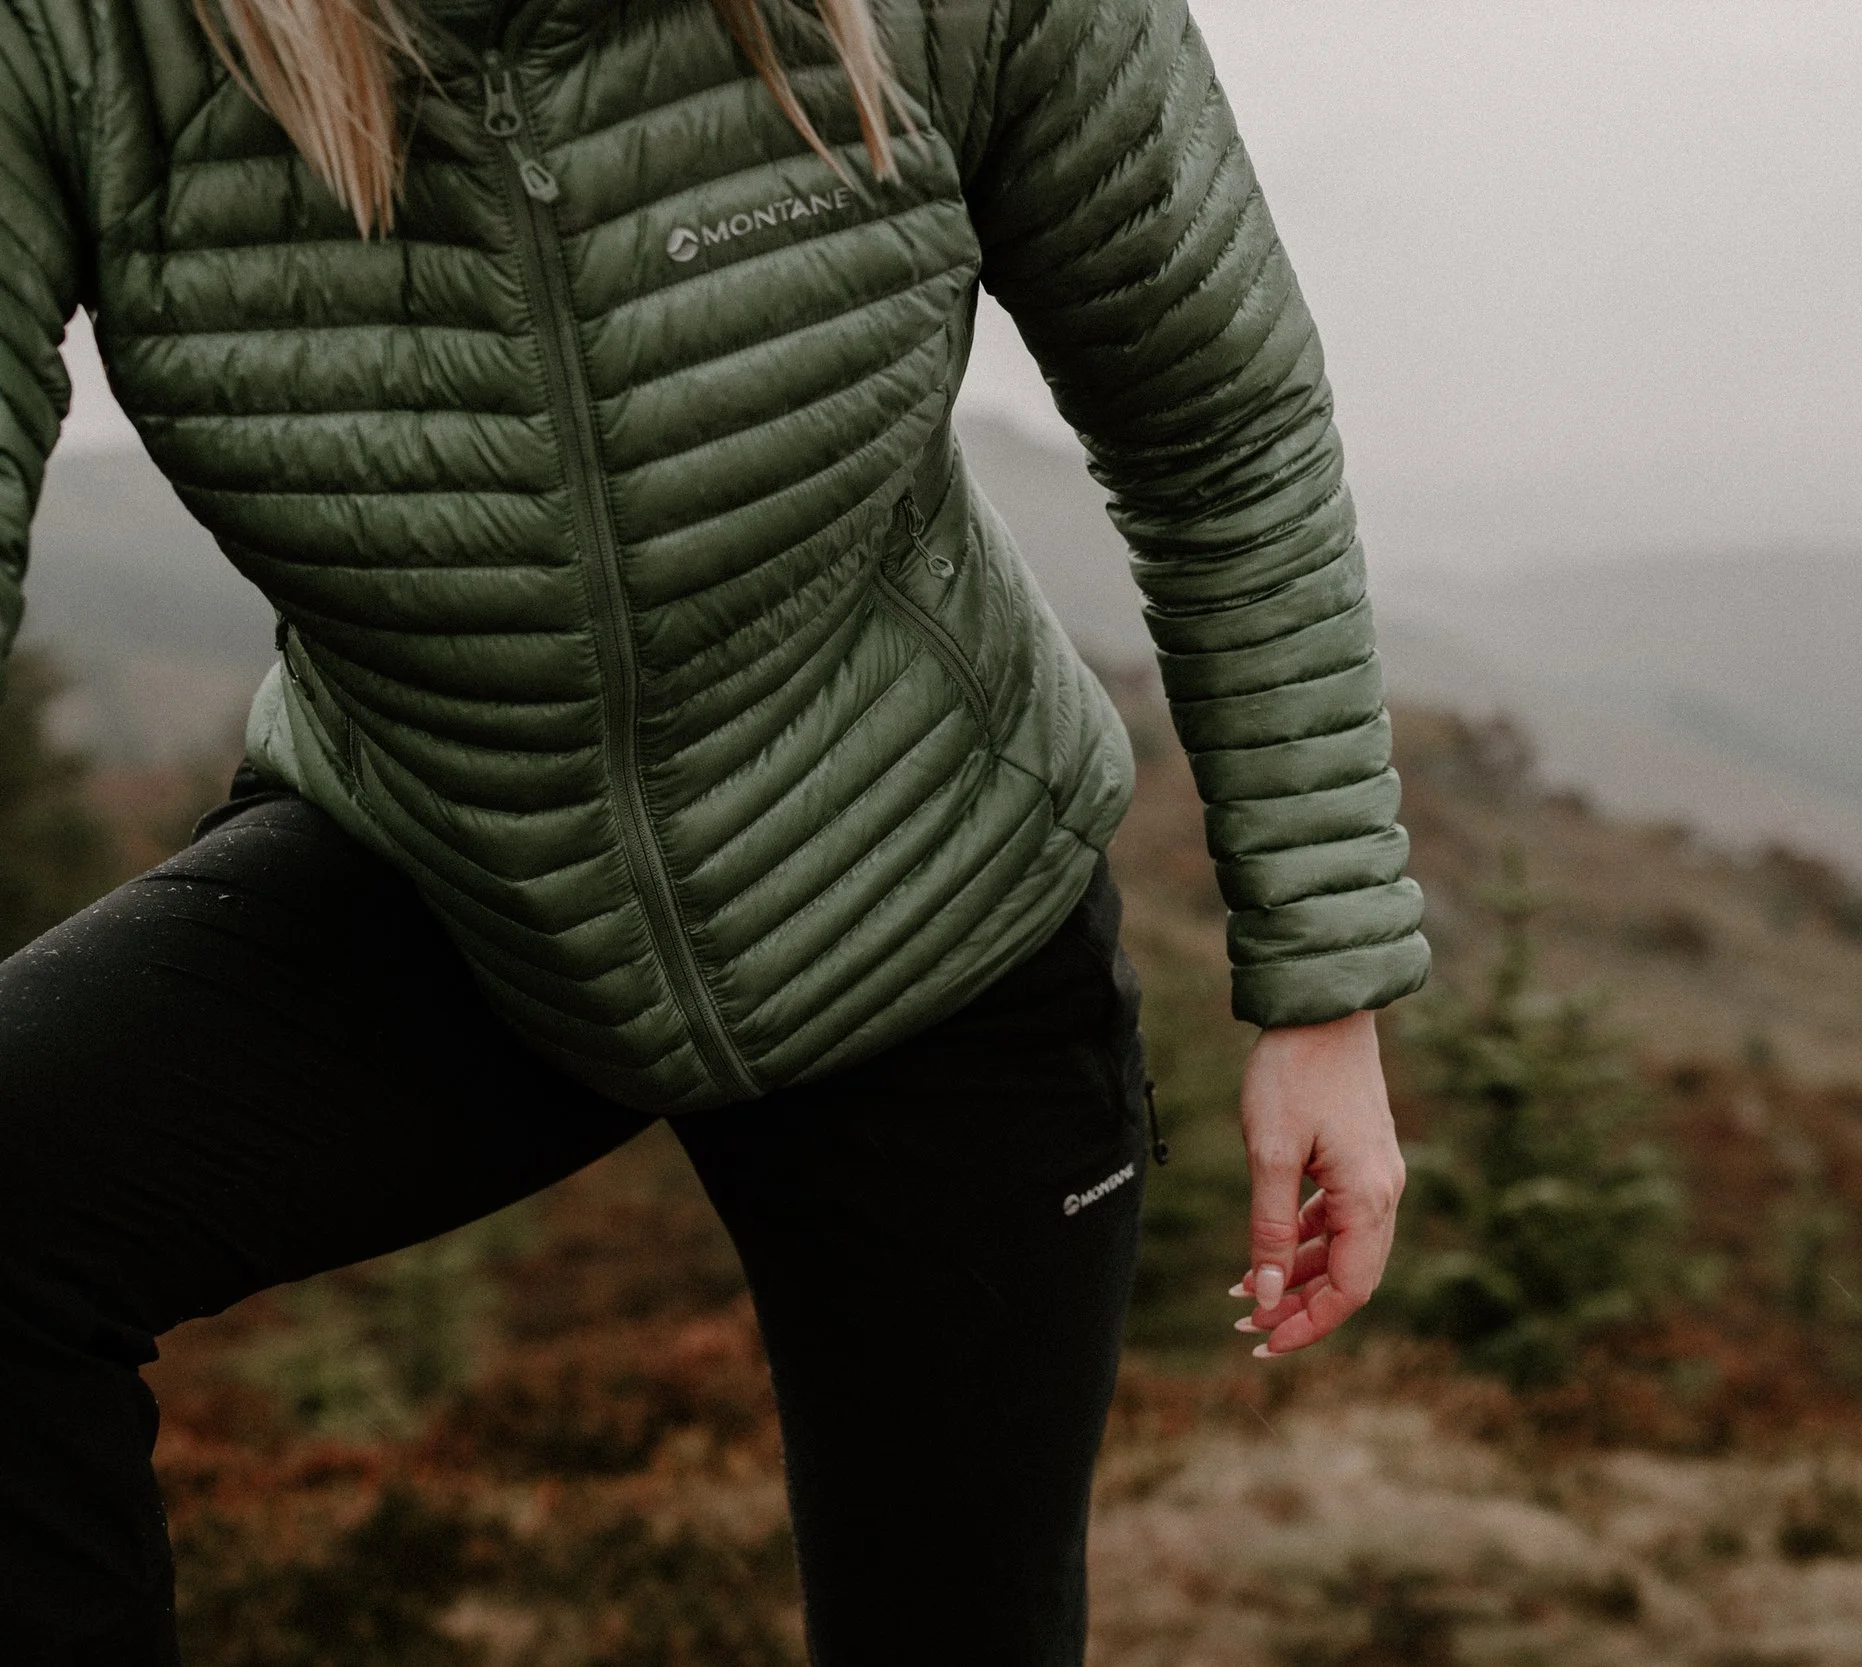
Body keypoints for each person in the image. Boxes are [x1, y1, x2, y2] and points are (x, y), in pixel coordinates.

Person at [0, 0, 1430, 1657]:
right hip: (446, 869)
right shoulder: (87, 35)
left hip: (929, 897)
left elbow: (1223, 427)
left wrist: (1322, 989)